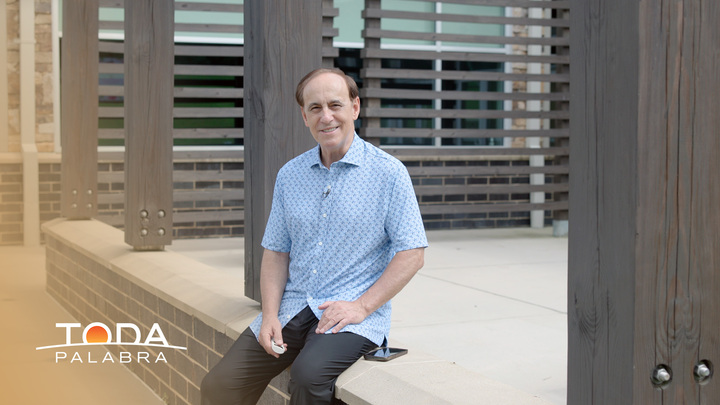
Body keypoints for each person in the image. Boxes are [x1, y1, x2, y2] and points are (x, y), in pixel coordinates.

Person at [200, 68, 428, 405]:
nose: (326, 116)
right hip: (292, 307)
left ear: (355, 107)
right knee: (220, 385)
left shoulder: (389, 173)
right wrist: (270, 315)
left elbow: (412, 253)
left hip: (350, 315)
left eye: (335, 105)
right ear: (304, 116)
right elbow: (276, 251)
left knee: (308, 377)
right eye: (315, 108)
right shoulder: (290, 174)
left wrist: (362, 306)